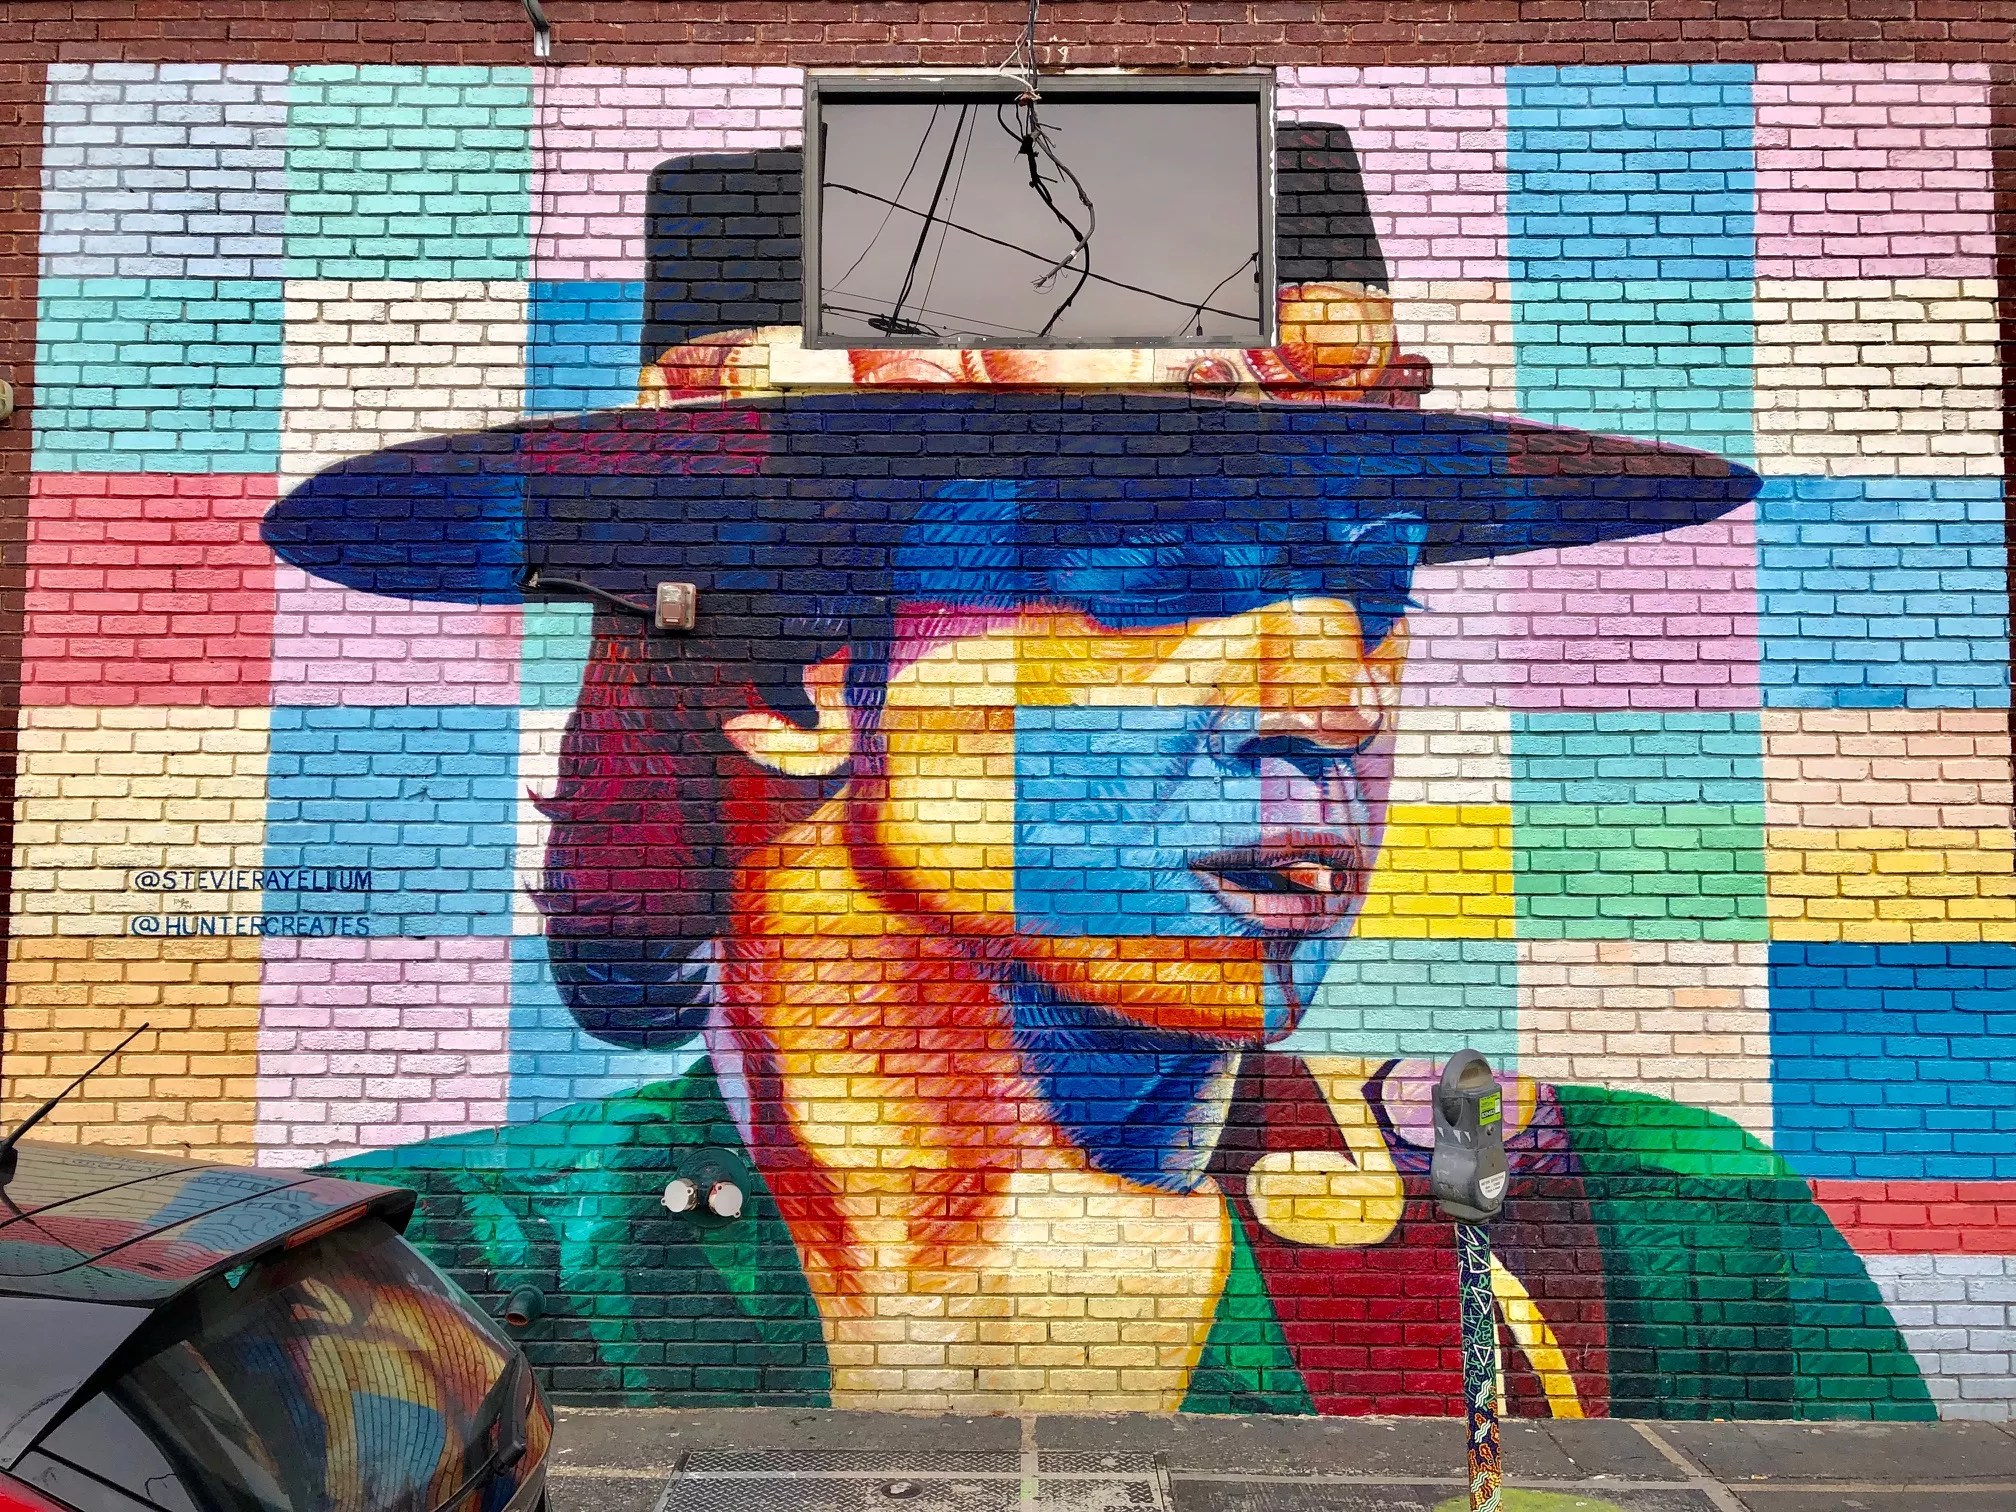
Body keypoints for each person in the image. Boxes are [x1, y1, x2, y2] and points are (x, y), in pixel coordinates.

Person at [266, 132, 1932, 1418]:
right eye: (1150, 581)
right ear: (784, 678)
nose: (1336, 704)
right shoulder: (404, 1287)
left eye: (1375, 593)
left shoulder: (1641, 1238)